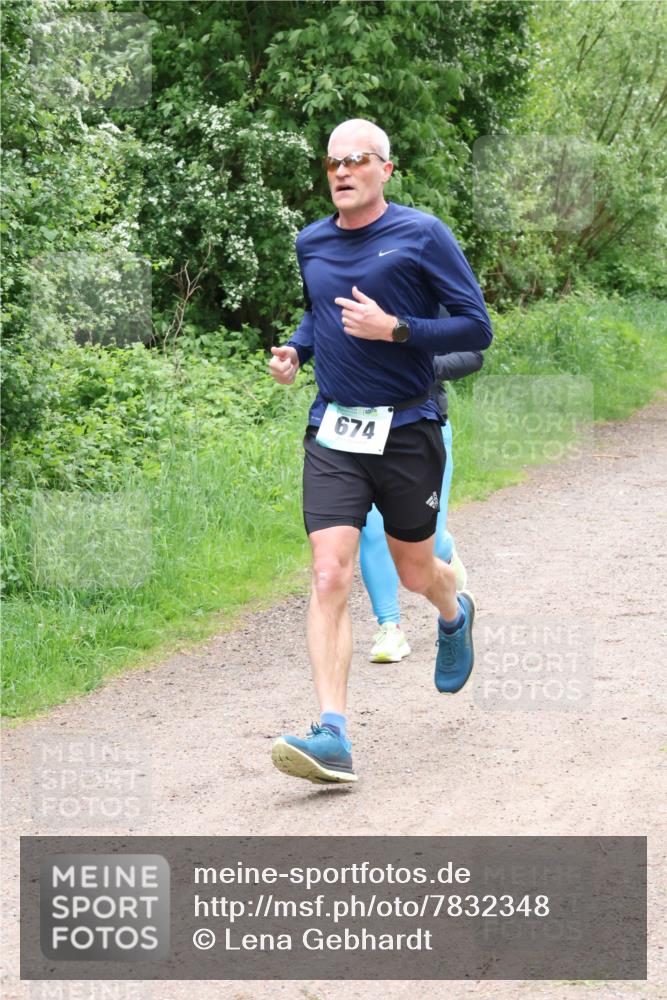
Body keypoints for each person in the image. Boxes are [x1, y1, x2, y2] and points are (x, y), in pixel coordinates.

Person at [268, 119, 493, 785]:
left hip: (406, 429)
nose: (341, 171)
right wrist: (295, 350)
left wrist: (397, 329)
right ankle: (331, 735)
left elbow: (475, 327)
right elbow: (318, 312)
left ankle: (453, 612)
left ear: (384, 170)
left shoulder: (421, 235)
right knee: (329, 574)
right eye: (333, 162)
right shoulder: (310, 240)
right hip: (334, 430)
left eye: (356, 160)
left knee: (415, 572)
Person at [361, 348, 484, 663]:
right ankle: (390, 627)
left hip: (423, 427)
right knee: (373, 528)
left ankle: (443, 552)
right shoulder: (348, 298)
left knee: (424, 542)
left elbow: (472, 354)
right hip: (363, 429)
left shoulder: (431, 297)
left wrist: (423, 366)